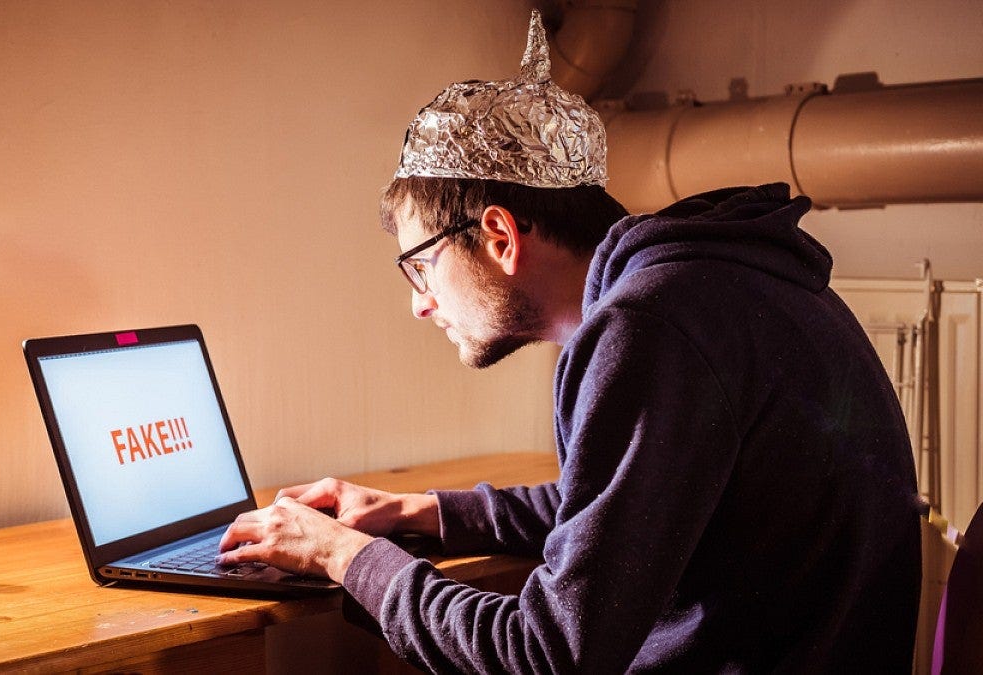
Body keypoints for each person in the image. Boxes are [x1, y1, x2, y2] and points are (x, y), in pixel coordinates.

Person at [219, 11, 921, 673]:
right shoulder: (712, 286)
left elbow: (549, 653)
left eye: (422, 266)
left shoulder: (651, 327)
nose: (420, 302)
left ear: (500, 237)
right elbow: (619, 512)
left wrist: (347, 558)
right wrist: (418, 511)